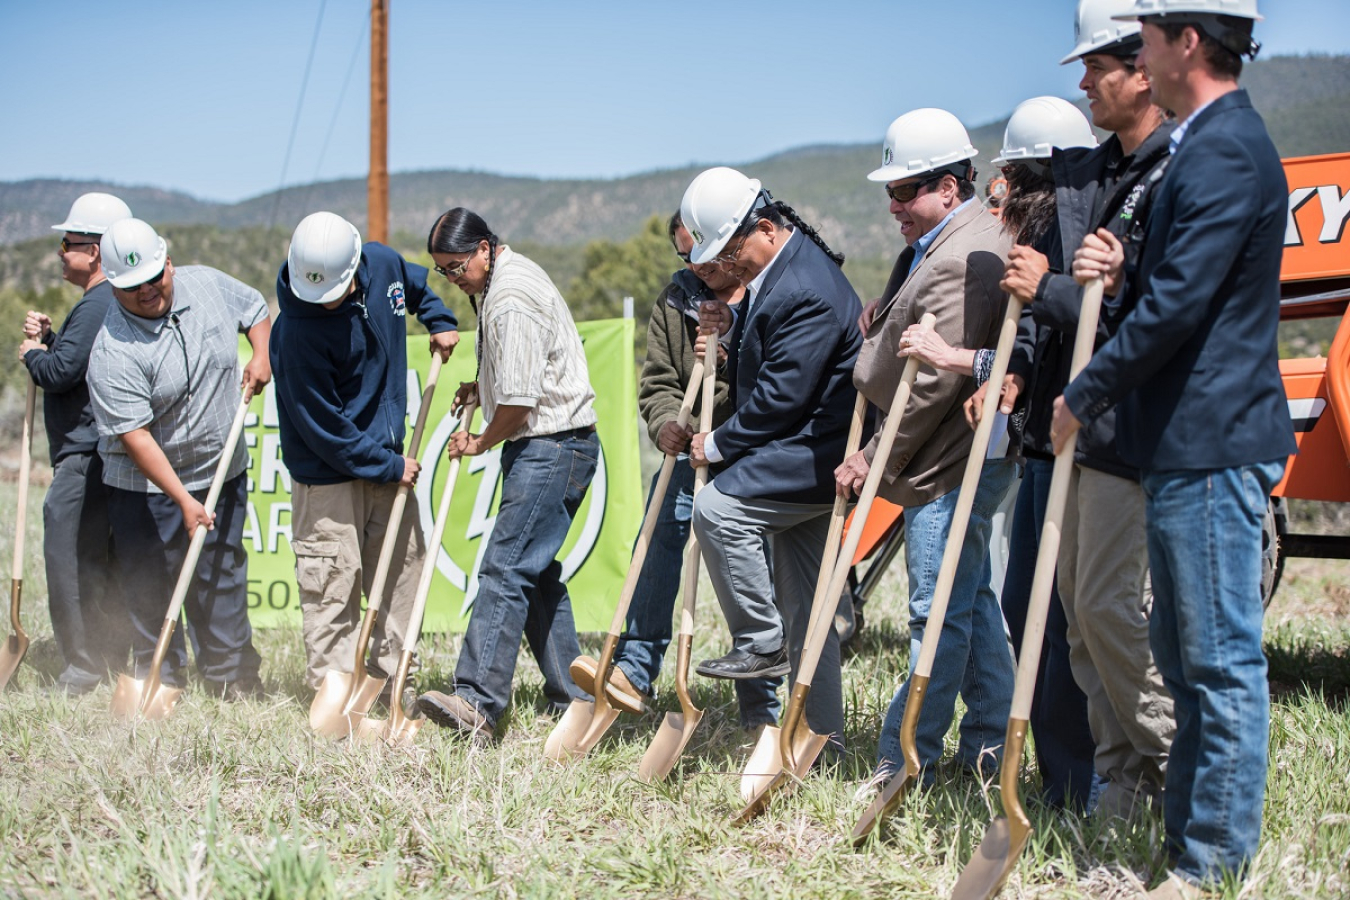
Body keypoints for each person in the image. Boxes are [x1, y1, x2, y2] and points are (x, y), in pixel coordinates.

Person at [1058, 2, 1291, 895]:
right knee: (1186, 656)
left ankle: (1209, 866)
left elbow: (1181, 306)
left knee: (1217, 661)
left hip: (1210, 443)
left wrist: (1084, 391)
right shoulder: (1202, 143)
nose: (1137, 53)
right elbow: (1172, 285)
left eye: (1146, 36)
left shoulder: (1225, 147)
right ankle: (1188, 843)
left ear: (1186, 41)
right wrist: (1124, 272)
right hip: (1181, 443)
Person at [900, 96, 1104, 810]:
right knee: (1015, 605)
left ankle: (1085, 783)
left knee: (1064, 619)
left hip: (1082, 448)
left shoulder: (1077, 231)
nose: (1002, 189)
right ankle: (1031, 764)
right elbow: (1033, 347)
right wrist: (1005, 373)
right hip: (1037, 441)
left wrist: (1034, 301)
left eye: (1013, 175)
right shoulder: (1028, 229)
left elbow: (1089, 329)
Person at [840, 108, 1016, 784]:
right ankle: (989, 742)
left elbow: (931, 387)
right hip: (954, 451)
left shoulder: (965, 252)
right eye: (889, 192)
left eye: (906, 190)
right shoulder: (946, 237)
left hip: (949, 456)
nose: (893, 206)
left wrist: (875, 454)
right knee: (966, 600)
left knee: (934, 611)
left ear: (951, 185)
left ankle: (904, 752)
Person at [570, 211, 782, 731]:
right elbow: (661, 379)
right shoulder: (676, 298)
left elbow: (778, 372)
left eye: (702, 250)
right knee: (659, 539)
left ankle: (765, 704)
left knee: (754, 567)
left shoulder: (768, 289)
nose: (694, 262)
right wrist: (667, 422)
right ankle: (635, 672)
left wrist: (726, 347)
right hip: (689, 450)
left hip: (752, 450)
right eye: (683, 254)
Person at [685, 166, 862, 752]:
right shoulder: (784, 269)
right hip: (803, 446)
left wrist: (715, 444)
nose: (729, 267)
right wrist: (733, 326)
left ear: (764, 228)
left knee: (715, 509)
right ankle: (822, 738)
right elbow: (773, 350)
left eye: (733, 252)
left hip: (811, 453)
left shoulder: (805, 285)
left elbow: (783, 397)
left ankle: (761, 641)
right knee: (810, 608)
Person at [416, 208, 599, 744]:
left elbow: (519, 403)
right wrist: (482, 386)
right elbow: (519, 376)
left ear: (483, 248)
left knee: (503, 568)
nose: (453, 280)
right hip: (553, 443)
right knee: (534, 576)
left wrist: (478, 441)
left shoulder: (510, 297)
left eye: (456, 267)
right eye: (443, 272)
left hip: (551, 445)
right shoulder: (496, 283)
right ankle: (577, 696)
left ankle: (476, 700)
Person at [270, 211, 459, 708]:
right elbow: (326, 430)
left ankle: (393, 686)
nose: (326, 301)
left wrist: (437, 319)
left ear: (356, 268)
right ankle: (334, 697)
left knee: (398, 578)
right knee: (333, 584)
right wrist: (390, 467)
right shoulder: (294, 333)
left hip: (386, 459)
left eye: (335, 290)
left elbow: (414, 288)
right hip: (329, 477)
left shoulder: (382, 263)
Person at [87, 218, 271, 698]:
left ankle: (231, 678)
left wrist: (261, 353)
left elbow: (254, 308)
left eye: (154, 277)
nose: (147, 291)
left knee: (222, 573)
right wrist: (183, 501)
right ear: (110, 284)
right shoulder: (112, 351)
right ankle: (162, 679)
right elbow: (136, 437)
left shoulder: (207, 284)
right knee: (152, 583)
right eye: (131, 287)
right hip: (147, 489)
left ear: (168, 263)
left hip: (220, 470)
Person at [18, 193, 135, 695]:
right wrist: (49, 339)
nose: (61, 253)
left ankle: (82, 668)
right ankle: (105, 656)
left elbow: (62, 371)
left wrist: (31, 354)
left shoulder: (98, 301)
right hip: (99, 452)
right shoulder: (105, 302)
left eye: (68, 244)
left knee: (67, 557)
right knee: (96, 559)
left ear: (95, 250)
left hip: (84, 455)